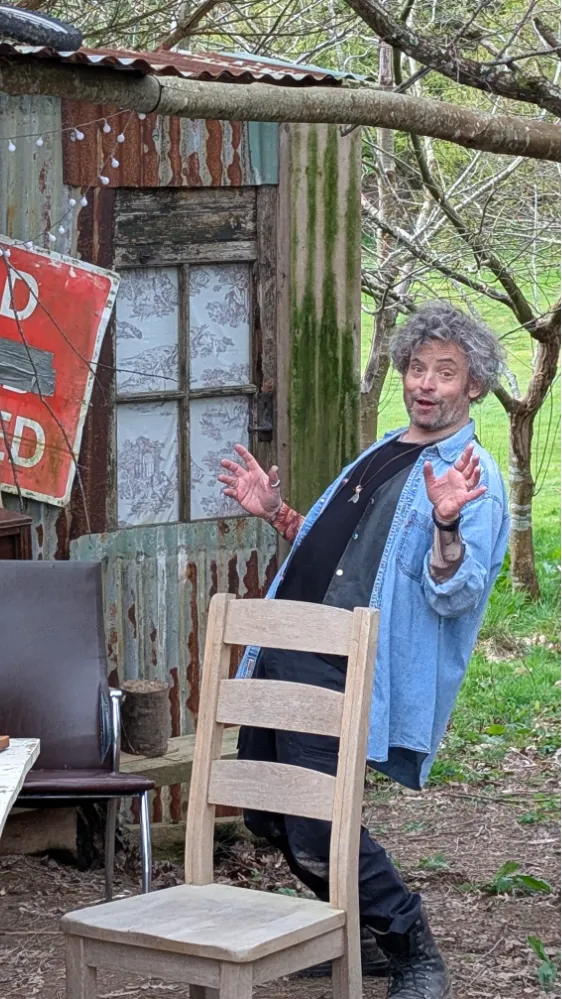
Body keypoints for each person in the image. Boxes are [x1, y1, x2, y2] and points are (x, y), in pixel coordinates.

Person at [218, 301, 509, 999]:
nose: (426, 383)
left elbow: (456, 587)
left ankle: (412, 948)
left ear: (475, 387)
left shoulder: (468, 475)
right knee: (266, 812)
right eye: (417, 366)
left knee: (317, 823)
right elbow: (344, 556)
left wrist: (446, 522)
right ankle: (366, 938)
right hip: (290, 646)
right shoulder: (386, 447)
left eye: (447, 372)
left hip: (342, 666)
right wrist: (276, 514)